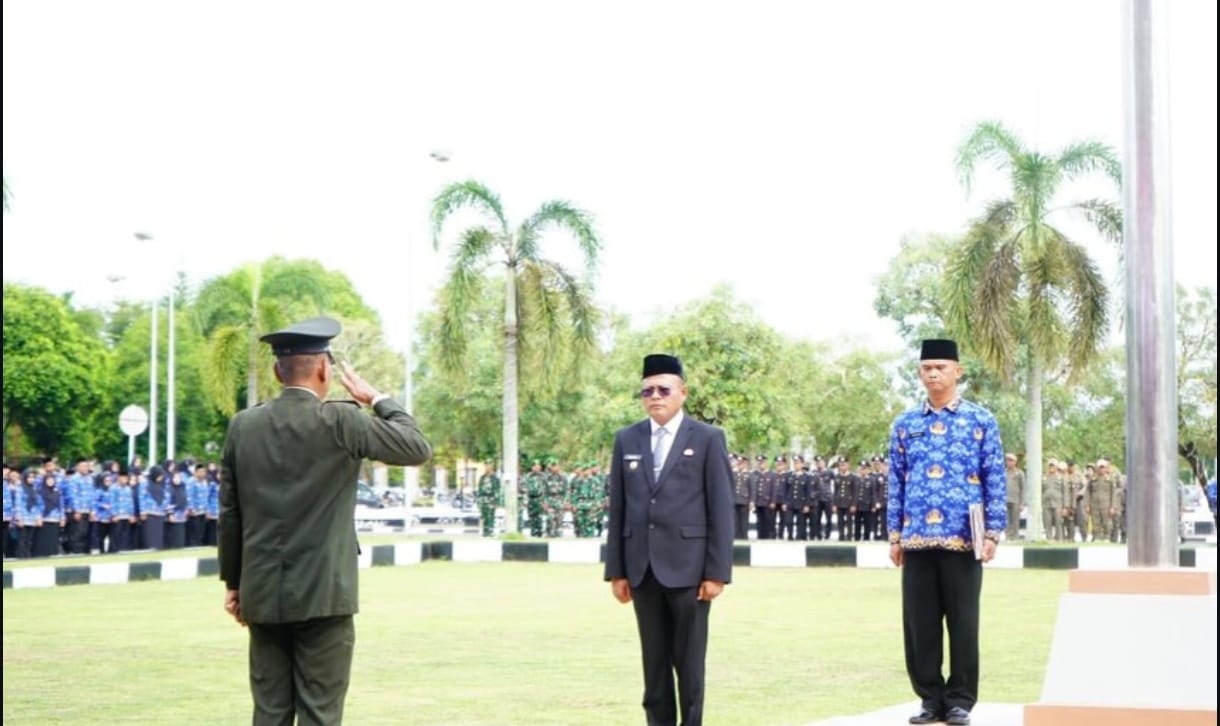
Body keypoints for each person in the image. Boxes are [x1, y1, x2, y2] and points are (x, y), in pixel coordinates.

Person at [219, 316, 432, 725]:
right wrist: (378, 399)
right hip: (324, 594)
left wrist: (234, 583)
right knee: (321, 715)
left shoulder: (242, 427)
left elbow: (230, 514)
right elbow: (416, 446)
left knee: (269, 712)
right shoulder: (341, 420)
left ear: (278, 371)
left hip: (262, 591)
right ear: (323, 369)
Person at [604, 353, 734, 726]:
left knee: (689, 665)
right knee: (654, 664)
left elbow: (721, 509)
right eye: (647, 391)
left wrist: (717, 572)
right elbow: (619, 510)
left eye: (663, 389)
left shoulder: (708, 438)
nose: (655, 396)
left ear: (683, 392)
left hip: (690, 571)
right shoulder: (626, 438)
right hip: (641, 570)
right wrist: (617, 570)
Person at [887, 339, 1006, 726]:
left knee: (963, 623)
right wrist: (894, 535)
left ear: (958, 370)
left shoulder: (980, 420)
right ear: (920, 373)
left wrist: (993, 532)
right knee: (920, 627)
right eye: (926, 368)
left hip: (963, 538)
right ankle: (929, 699)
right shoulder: (906, 424)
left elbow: (995, 477)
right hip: (917, 536)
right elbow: (896, 481)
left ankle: (959, 700)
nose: (933, 374)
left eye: (941, 366)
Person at [1004, 453, 1025, 541]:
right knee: (1006, 520)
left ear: (1015, 462)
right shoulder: (1003, 472)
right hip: (1006, 499)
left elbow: (1023, 488)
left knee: (1015, 520)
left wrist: (1022, 503)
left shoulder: (1019, 473)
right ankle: (1008, 536)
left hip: (1015, 499)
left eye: (1011, 460)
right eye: (1008, 460)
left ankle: (1015, 536)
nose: (1009, 462)